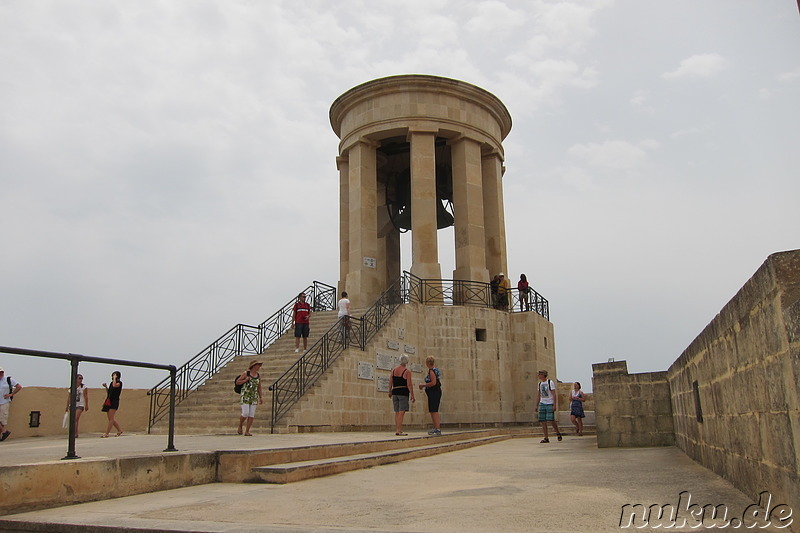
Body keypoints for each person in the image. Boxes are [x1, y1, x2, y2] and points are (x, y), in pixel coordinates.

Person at [388, 354, 415, 436]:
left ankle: (398, 428)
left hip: (395, 391)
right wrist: (412, 395)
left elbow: (390, 382)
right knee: (401, 412)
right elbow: (409, 384)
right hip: (403, 392)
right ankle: (398, 430)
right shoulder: (407, 372)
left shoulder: (394, 370)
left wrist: (389, 391)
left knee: (397, 412)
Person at [236, 359, 263, 436]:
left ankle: (247, 431)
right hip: (245, 395)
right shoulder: (246, 373)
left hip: (253, 396)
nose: (259, 367)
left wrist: (261, 397)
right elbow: (238, 382)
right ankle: (240, 425)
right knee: (245, 413)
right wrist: (245, 380)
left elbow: (259, 387)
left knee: (251, 414)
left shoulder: (258, 376)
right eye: (258, 365)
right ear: (254, 366)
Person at [418, 355, 442, 436]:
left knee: (434, 411)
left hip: (434, 392)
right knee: (432, 410)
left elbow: (433, 383)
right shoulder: (435, 370)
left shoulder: (431, 371)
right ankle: (435, 428)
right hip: (434, 392)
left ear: (428, 363)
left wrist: (423, 385)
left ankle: (438, 429)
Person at [536, 370, 562, 443]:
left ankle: (558, 432)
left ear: (543, 375)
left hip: (549, 402)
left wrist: (554, 404)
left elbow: (554, 394)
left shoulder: (550, 383)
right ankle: (546, 437)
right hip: (542, 402)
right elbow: (539, 395)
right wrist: (536, 405)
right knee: (543, 421)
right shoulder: (539, 384)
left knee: (551, 420)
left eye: (539, 374)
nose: (538, 376)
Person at [0, 366, 22, 442]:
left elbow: (18, 387)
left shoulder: (8, 379)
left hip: (4, 402)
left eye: (1, 372)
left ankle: (3, 432)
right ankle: (4, 432)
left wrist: (11, 394)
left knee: (3, 418)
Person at [101, 371, 123, 438]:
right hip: (109, 400)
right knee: (110, 418)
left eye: (115, 375)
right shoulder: (112, 383)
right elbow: (110, 391)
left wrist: (114, 379)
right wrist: (106, 387)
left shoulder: (119, 383)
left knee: (111, 418)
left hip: (114, 401)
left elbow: (114, 385)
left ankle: (107, 433)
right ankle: (119, 430)